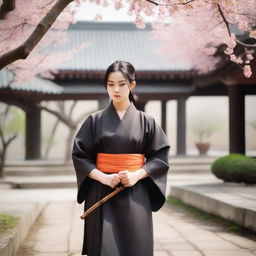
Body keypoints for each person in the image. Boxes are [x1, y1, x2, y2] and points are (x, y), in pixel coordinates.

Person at [72, 60, 170, 256]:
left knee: (136, 245)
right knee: (103, 247)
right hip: (101, 190)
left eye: (122, 84)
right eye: (110, 84)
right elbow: (80, 155)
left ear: (132, 85)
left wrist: (137, 175)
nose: (116, 89)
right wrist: (104, 177)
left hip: (136, 190)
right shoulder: (94, 120)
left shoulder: (146, 121)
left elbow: (159, 157)